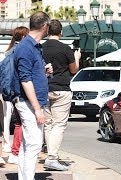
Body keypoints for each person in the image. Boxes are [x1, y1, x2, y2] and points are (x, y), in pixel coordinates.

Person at [13, 12, 52, 180]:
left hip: (31, 102)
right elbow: (25, 80)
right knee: (35, 144)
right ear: (44, 26)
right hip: (28, 103)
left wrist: (43, 72)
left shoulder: (33, 46)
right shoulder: (26, 47)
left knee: (27, 144)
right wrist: (37, 109)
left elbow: (29, 75)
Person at [42, 19, 81, 171]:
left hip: (45, 88)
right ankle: (52, 158)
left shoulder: (41, 47)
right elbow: (73, 70)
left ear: (47, 31)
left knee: (48, 124)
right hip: (62, 89)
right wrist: (76, 59)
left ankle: (50, 155)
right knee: (59, 125)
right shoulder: (66, 49)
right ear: (61, 32)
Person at [0, 26, 30, 165]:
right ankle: (16, 152)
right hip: (20, 92)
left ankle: (14, 150)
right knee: (21, 123)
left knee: (16, 122)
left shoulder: (8, 52)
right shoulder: (20, 51)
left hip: (11, 93)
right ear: (24, 37)